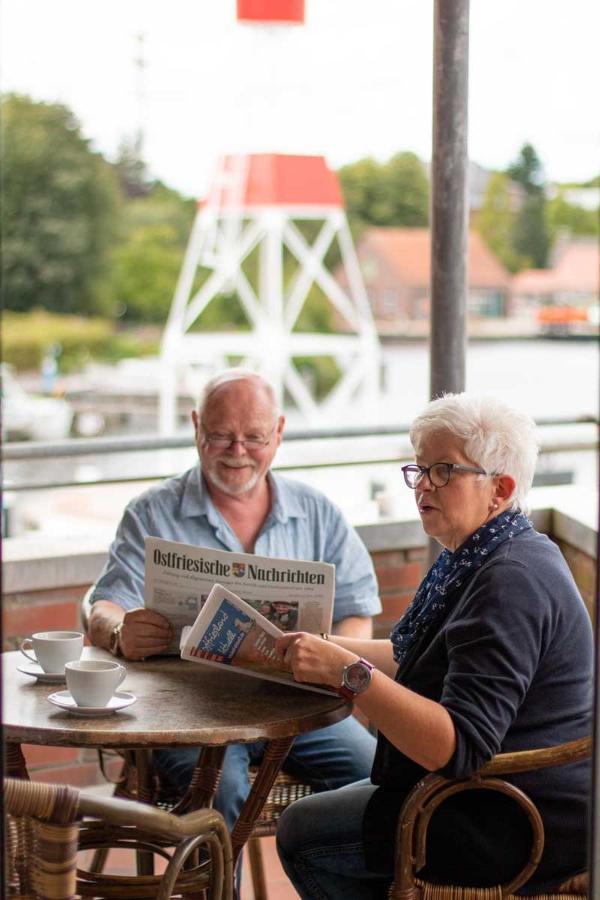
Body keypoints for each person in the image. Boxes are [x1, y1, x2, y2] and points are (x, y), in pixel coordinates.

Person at [275, 393, 592, 898]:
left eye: (443, 470)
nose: (422, 484)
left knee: (299, 833)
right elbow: (416, 657)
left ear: (500, 489)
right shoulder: (486, 554)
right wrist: (319, 646)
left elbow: (457, 747)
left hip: (514, 819)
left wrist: (347, 673)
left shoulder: (508, 581)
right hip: (498, 796)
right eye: (419, 469)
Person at [87, 368, 380, 832]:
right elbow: (102, 608)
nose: (238, 453)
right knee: (218, 797)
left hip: (300, 707)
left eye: (254, 437)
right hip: (190, 713)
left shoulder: (318, 512)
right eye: (221, 436)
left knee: (380, 779)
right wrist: (120, 630)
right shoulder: (151, 512)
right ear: (195, 427)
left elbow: (356, 613)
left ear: (279, 433)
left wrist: (334, 665)